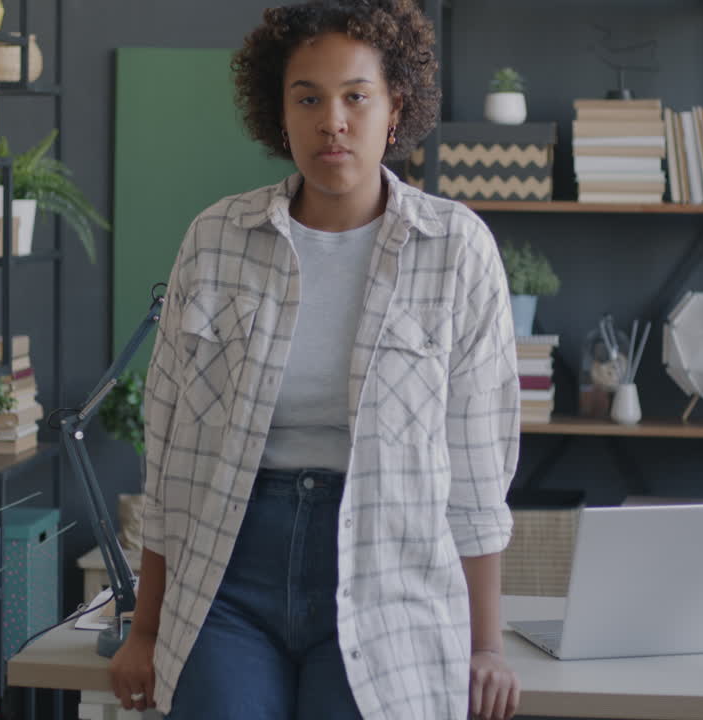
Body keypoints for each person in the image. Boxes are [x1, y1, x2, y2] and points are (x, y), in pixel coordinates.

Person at [108, 1, 521, 718]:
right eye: (309, 98)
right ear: (282, 115)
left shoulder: (457, 250)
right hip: (229, 575)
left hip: (388, 575)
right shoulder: (215, 242)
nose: (333, 120)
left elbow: (478, 470)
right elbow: (170, 455)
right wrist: (145, 627)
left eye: (357, 96)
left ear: (396, 110)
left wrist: (487, 645)